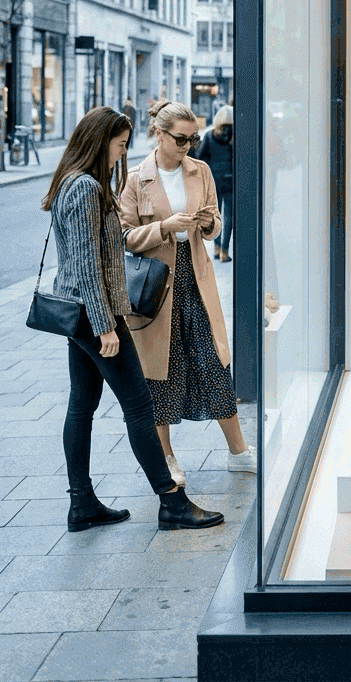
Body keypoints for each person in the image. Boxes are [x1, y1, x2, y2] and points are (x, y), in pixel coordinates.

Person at [41, 106, 225, 533]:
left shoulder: (72, 182)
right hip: (94, 313)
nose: (122, 152)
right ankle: (172, 502)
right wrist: (106, 325)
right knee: (140, 405)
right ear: (100, 141)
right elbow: (88, 264)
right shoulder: (85, 188)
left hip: (79, 311)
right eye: (120, 144)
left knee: (82, 406)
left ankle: (82, 503)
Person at [119, 99, 255, 486]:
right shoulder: (135, 179)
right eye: (180, 139)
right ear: (159, 135)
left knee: (213, 364)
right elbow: (125, 237)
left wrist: (208, 223)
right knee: (160, 374)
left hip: (194, 281)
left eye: (193, 139)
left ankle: (239, 453)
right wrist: (165, 227)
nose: (187, 147)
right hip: (155, 288)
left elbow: (213, 223)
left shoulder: (201, 171)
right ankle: (167, 459)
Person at [194, 104, 234, 262]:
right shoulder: (234, 136)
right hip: (230, 179)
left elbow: (199, 156)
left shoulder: (210, 136)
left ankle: (216, 248)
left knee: (216, 213)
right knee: (229, 216)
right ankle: (225, 250)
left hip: (214, 179)